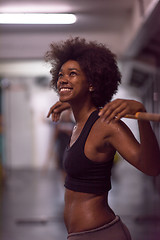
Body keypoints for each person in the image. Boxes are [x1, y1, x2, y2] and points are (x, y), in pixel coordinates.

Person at [46, 37, 160, 240]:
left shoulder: (106, 124)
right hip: (79, 234)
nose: (63, 79)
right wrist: (72, 103)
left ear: (91, 84)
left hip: (101, 234)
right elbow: (84, 109)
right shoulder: (79, 124)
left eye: (72, 74)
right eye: (61, 74)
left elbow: (151, 167)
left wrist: (141, 114)